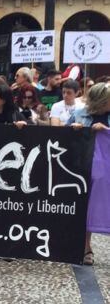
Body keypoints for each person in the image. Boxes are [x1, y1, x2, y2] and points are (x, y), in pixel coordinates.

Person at [68, 82, 110, 266]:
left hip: (106, 171)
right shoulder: (79, 114)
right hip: (84, 169)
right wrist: (75, 130)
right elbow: (63, 138)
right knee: (87, 208)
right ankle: (86, 247)